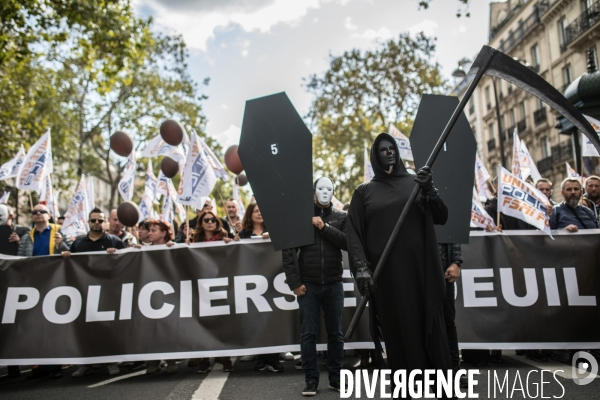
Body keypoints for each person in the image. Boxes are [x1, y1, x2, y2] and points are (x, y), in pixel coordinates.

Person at [346, 133, 453, 386]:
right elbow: (353, 235)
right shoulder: (364, 192)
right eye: (383, 150)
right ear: (375, 156)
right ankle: (406, 385)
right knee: (398, 330)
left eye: (392, 148)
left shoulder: (416, 183)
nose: (389, 152)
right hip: (388, 277)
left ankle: (438, 384)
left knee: (429, 325)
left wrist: (430, 189)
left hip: (421, 272)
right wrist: (361, 268)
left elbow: (441, 216)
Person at [282, 177, 347, 396]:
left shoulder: (340, 217)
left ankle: (336, 378)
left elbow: (348, 243)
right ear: (313, 192)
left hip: (333, 283)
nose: (325, 192)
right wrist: (295, 282)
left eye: (329, 189)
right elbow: (288, 251)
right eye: (321, 188)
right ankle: (311, 380)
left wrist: (324, 227)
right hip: (308, 285)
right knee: (307, 334)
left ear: (334, 192)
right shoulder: (301, 216)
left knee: (336, 334)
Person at [62, 208, 126, 378]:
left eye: (100, 220)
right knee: (85, 328)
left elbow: (127, 262)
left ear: (105, 223)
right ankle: (85, 363)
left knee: (107, 327)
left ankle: (111, 362)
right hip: (84, 291)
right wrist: (66, 256)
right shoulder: (78, 243)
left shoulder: (115, 242)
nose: (96, 223)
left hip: (108, 291)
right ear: (88, 222)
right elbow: (71, 265)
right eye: (93, 220)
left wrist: (116, 255)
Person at [19, 203, 71, 380]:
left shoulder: (59, 232)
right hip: (34, 284)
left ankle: (56, 365)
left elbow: (72, 253)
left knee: (54, 325)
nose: (38, 214)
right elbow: (20, 261)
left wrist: (62, 245)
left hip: (55, 283)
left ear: (49, 215)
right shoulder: (27, 237)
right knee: (36, 326)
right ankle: (41, 364)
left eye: (42, 211)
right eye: (35, 212)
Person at [191, 210, 234, 373]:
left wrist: (233, 243)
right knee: (204, 322)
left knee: (222, 322)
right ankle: (204, 359)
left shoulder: (224, 237)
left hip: (221, 283)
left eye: (213, 220)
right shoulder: (195, 240)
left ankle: (226, 358)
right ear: (201, 223)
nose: (210, 222)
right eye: (206, 220)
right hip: (202, 285)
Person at [143, 220, 177, 374]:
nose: (149, 233)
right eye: (149, 230)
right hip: (150, 294)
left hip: (170, 293)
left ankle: (171, 360)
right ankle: (154, 360)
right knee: (152, 328)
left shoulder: (174, 247)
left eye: (153, 230)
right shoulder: (143, 251)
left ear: (163, 233)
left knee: (169, 326)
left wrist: (175, 249)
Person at [438, 243, 465, 387]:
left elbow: (452, 230)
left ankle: (454, 371)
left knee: (447, 322)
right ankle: (416, 371)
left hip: (442, 268)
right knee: (414, 321)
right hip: (415, 266)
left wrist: (456, 262)